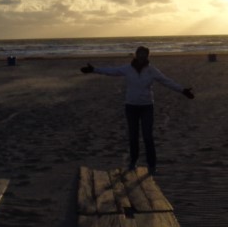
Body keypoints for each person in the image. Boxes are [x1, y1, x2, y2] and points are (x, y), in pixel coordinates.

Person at [81, 46, 194, 174]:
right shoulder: (127, 69)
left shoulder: (152, 70)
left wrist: (183, 90)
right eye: (139, 54)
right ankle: (133, 162)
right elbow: (111, 71)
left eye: (144, 54)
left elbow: (166, 81)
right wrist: (94, 69)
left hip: (147, 107)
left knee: (147, 137)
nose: (141, 56)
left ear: (147, 56)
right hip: (131, 106)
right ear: (136, 55)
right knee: (133, 137)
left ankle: (152, 166)